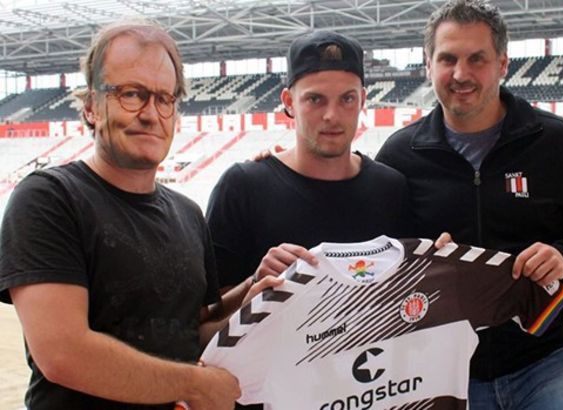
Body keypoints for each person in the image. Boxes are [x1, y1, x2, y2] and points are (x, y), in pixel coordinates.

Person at [0, 20, 277, 410]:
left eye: (165, 98)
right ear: (92, 107)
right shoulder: (50, 198)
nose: (151, 114)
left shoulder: (188, 213)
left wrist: (254, 294)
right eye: (132, 94)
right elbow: (63, 354)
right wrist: (195, 385)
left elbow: (188, 334)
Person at [375, 1, 563, 409]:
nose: (461, 74)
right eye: (448, 59)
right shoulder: (399, 155)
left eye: (477, 59)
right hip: (440, 370)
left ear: (502, 64)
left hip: (546, 361)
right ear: (428, 64)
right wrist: (421, 264)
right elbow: (376, 259)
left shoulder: (555, 141)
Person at [206, 30, 440, 409]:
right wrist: (253, 286)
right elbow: (206, 314)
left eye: (347, 99)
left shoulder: (391, 187)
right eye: (315, 99)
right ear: (288, 102)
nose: (332, 115)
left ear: (363, 100)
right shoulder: (243, 186)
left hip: (370, 392)